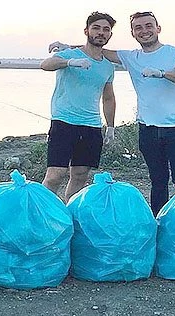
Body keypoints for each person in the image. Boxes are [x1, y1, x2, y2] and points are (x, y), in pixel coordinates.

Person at [49, 11, 175, 216]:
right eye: (138, 28)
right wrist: (69, 49)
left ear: (158, 28)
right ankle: (159, 222)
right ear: (133, 33)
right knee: (157, 180)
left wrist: (162, 74)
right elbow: (96, 48)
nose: (144, 31)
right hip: (148, 129)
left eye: (148, 26)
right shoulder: (131, 57)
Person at [40, 11, 117, 202]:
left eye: (106, 30)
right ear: (87, 31)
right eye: (96, 28)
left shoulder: (108, 66)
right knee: (55, 175)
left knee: (81, 175)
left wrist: (110, 127)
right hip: (64, 122)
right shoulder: (70, 54)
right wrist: (69, 62)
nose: (101, 33)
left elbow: (108, 98)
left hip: (91, 126)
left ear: (109, 35)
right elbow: (46, 64)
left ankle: (70, 214)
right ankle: (42, 215)